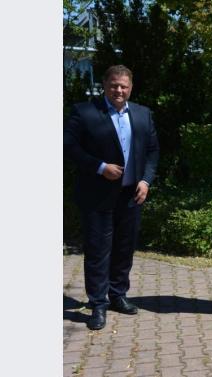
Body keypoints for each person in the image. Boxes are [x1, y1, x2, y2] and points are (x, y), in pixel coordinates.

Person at [64, 65, 160, 330]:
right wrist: (100, 167)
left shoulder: (143, 114)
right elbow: (68, 146)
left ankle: (118, 295)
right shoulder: (84, 112)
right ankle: (98, 304)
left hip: (132, 194)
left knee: (124, 248)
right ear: (105, 85)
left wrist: (145, 180)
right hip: (97, 194)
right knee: (97, 251)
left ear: (131, 87)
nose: (119, 90)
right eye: (114, 85)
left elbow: (152, 151)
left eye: (124, 86)